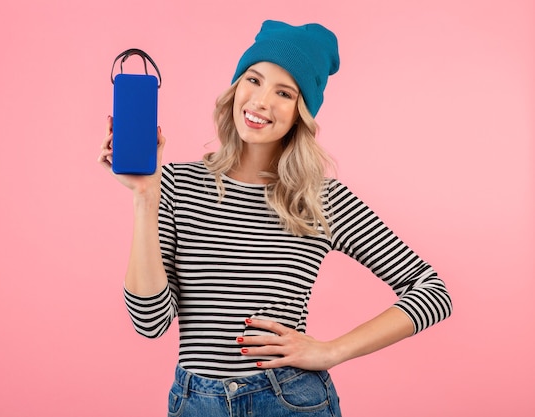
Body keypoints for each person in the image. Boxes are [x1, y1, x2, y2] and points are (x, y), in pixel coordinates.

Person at [98, 19, 452, 417]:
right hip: (195, 403)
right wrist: (146, 197)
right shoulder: (176, 184)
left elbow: (433, 291)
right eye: (253, 79)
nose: (261, 101)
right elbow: (150, 322)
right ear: (236, 87)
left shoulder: (321, 200)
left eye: (284, 92)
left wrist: (332, 350)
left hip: (288, 400)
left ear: (302, 112)